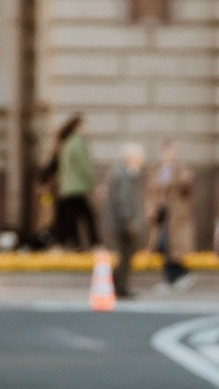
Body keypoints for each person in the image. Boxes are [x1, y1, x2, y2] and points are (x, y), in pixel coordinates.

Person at [145, 140, 197, 291]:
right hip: (161, 214)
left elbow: (186, 190)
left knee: (172, 247)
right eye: (167, 151)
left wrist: (185, 180)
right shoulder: (157, 169)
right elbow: (151, 191)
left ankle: (176, 277)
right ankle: (177, 276)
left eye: (172, 151)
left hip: (176, 216)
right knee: (162, 245)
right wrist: (150, 208)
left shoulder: (182, 170)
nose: (170, 155)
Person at [101, 143, 149, 298]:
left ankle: (120, 287)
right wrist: (128, 220)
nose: (143, 160)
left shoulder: (125, 174)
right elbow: (122, 200)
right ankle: (119, 288)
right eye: (140, 157)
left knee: (125, 256)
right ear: (132, 158)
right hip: (120, 224)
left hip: (119, 223)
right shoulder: (122, 175)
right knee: (124, 256)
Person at [48, 115, 98, 255]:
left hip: (67, 187)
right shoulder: (78, 142)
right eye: (83, 126)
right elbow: (84, 166)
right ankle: (93, 243)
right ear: (77, 127)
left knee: (71, 217)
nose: (86, 129)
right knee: (87, 216)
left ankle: (71, 243)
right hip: (77, 187)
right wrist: (92, 183)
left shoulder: (65, 143)